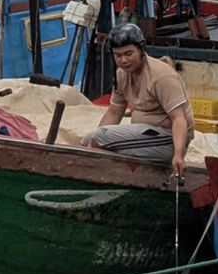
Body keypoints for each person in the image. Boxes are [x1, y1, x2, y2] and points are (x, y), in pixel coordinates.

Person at [82, 24, 192, 176]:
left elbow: (179, 119)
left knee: (101, 137)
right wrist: (94, 142)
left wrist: (178, 156)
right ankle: (93, 173)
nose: (123, 60)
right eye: (118, 55)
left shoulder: (161, 77)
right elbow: (114, 113)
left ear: (141, 50)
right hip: (144, 134)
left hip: (167, 141)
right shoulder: (121, 75)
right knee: (89, 138)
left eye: (128, 53)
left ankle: (91, 174)